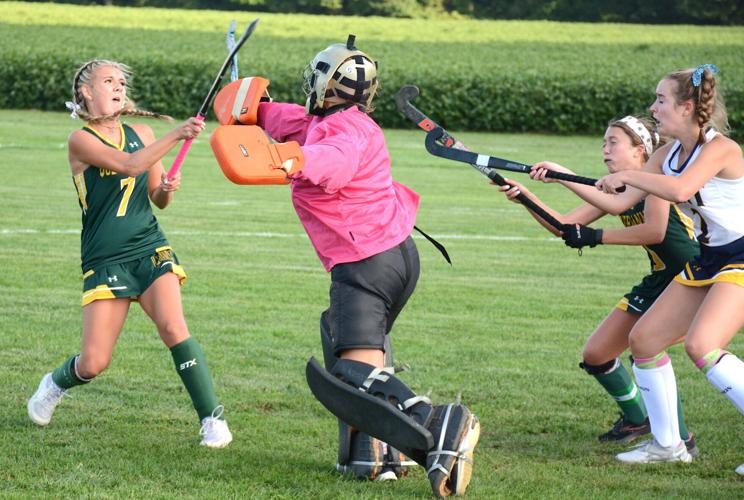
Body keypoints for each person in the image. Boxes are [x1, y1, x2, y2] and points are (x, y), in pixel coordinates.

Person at [250, 36, 480, 495]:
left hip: (364, 264)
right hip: (392, 255)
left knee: (348, 374)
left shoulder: (343, 134)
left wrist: (289, 159)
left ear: (323, 82)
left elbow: (331, 162)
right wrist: (253, 106)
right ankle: (375, 459)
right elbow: (285, 118)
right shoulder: (333, 119)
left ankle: (441, 420)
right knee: (364, 363)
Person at [534, 64, 744, 472]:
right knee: (645, 340)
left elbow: (681, 190)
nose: (653, 107)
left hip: (743, 255)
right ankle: (669, 446)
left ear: (687, 107)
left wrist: (630, 174)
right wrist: (561, 177)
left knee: (701, 345)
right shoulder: (666, 154)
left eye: (661, 100)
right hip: (710, 259)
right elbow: (616, 201)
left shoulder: (723, 149)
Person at [27, 60, 232, 448]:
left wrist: (167, 188)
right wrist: (177, 134)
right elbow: (129, 165)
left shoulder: (142, 132)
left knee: (174, 327)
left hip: (148, 245)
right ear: (86, 92)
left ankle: (212, 419)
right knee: (93, 363)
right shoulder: (81, 140)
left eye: (121, 82)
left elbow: (156, 197)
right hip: (105, 258)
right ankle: (56, 383)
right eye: (108, 81)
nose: (118, 87)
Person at [498, 116, 700, 453]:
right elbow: (565, 226)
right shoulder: (619, 191)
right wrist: (526, 197)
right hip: (660, 279)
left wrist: (596, 236)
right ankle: (639, 419)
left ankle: (679, 438)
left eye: (613, 143)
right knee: (597, 354)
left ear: (641, 151)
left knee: (646, 348)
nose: (605, 149)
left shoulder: (657, 180)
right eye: (603, 143)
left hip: (693, 278)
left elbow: (655, 232)